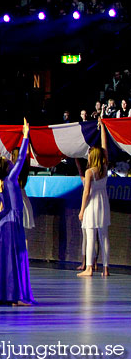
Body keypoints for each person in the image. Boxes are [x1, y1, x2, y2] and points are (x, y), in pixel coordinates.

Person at [0, 119, 34, 305]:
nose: (10, 161)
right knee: (14, 257)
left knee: (0, 258)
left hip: (1, 221)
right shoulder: (11, 178)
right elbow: (21, 159)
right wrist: (26, 135)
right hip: (11, 220)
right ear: (6, 168)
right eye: (6, 161)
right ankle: (15, 296)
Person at [77, 116, 110, 277]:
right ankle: (105, 268)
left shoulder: (89, 172)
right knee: (104, 237)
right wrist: (102, 126)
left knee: (90, 236)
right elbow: (105, 146)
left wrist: (82, 210)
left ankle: (89, 268)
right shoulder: (104, 166)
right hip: (103, 203)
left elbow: (86, 192)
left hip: (92, 204)